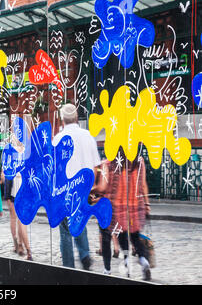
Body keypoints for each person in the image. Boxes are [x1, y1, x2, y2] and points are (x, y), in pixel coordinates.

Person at [52, 103, 101, 270]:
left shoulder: (58, 139)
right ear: (76, 117)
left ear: (62, 120)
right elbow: (96, 166)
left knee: (65, 230)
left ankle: (68, 266)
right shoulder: (87, 136)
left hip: (64, 190)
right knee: (79, 222)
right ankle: (85, 254)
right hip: (83, 189)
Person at [94, 148, 151, 280]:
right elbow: (143, 185)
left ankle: (107, 270)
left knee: (106, 236)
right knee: (134, 237)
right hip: (134, 206)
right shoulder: (139, 162)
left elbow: (103, 187)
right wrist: (147, 204)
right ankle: (143, 260)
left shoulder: (109, 163)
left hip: (113, 207)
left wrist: (90, 191)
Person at [2, 137, 33, 261]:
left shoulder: (12, 152)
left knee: (18, 220)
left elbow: (5, 174)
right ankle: (21, 246)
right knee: (21, 221)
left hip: (16, 190)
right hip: (25, 190)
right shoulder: (27, 153)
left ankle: (26, 249)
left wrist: (7, 194)